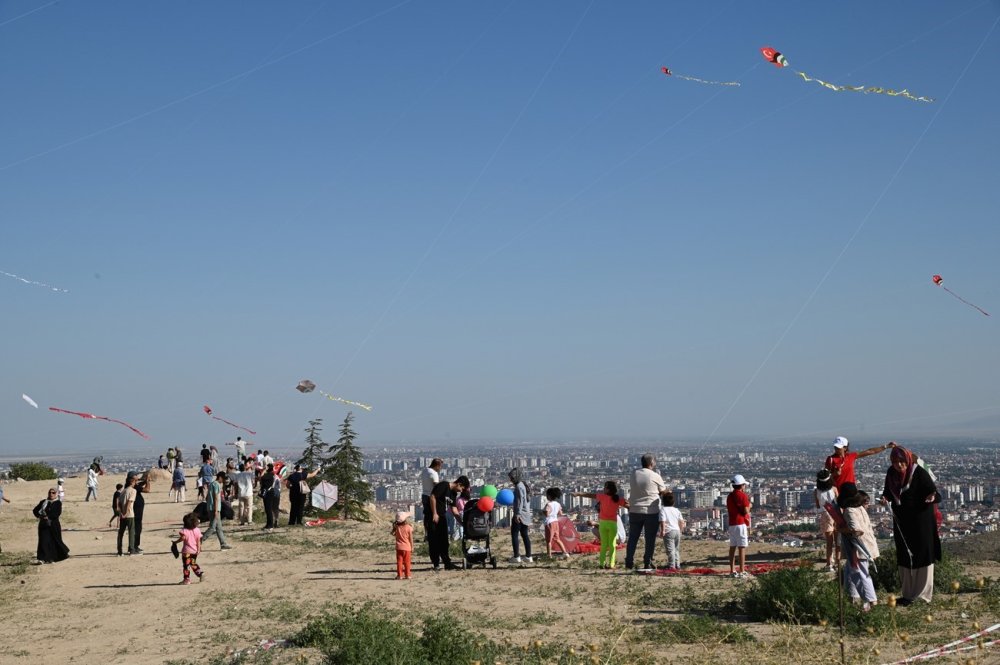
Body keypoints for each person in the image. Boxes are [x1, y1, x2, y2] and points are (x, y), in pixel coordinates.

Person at [881, 445, 940, 606]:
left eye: (901, 461)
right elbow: (887, 491)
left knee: (922, 554)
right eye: (895, 462)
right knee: (904, 555)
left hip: (921, 520)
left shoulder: (919, 472)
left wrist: (931, 497)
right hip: (902, 521)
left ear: (907, 459)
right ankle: (908, 594)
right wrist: (885, 498)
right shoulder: (891, 474)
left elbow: (934, 492)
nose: (898, 465)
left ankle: (922, 596)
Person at [837, 486, 879, 611]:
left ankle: (871, 601)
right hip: (863, 545)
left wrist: (840, 530)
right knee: (850, 573)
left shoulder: (850, 510)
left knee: (860, 574)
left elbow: (856, 530)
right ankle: (853, 598)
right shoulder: (859, 507)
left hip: (859, 547)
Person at [626, 454, 670, 571]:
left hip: (634, 509)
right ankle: (647, 561)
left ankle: (629, 561)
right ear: (652, 463)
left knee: (633, 538)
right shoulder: (655, 476)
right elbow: (663, 491)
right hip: (651, 511)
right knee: (650, 538)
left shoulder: (634, 473)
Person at [578, 482, 629, 569]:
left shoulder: (602, 497)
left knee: (604, 545)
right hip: (612, 524)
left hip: (603, 524)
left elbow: (590, 495)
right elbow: (628, 505)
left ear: (608, 489)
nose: (603, 489)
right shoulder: (617, 499)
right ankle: (611, 564)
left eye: (605, 488)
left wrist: (579, 494)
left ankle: (602, 564)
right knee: (612, 545)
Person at [825, 436, 896, 492]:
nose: (836, 449)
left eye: (839, 447)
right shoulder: (831, 459)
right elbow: (825, 478)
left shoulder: (850, 456)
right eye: (835, 447)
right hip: (837, 491)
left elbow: (870, 451)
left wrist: (886, 446)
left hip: (851, 490)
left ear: (845, 448)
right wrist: (835, 474)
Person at [429, 475, 470, 571]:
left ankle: (447, 563)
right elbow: (432, 497)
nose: (461, 491)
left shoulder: (453, 494)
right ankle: (436, 564)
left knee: (444, 541)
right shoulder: (444, 486)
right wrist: (434, 513)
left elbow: (454, 509)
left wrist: (461, 522)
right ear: (459, 484)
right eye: (462, 489)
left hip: (442, 516)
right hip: (433, 516)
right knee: (434, 540)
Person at [32, 488, 69, 563]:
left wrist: (49, 517)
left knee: (55, 541)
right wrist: (40, 516)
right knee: (43, 541)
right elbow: (35, 510)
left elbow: (57, 513)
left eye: (53, 493)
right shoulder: (43, 502)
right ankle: (42, 558)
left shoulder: (58, 503)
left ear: (56, 494)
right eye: (50, 492)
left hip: (54, 525)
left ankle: (54, 557)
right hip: (43, 525)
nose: (51, 494)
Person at [814, 469, 840, 571]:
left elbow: (817, 505)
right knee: (838, 540)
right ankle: (838, 562)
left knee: (829, 541)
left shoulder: (816, 491)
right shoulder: (834, 489)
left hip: (825, 515)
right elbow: (839, 502)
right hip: (836, 514)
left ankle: (829, 563)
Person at [727, 474, 752, 578]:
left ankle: (732, 570)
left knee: (732, 547)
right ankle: (742, 570)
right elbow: (746, 510)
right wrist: (750, 506)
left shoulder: (729, 496)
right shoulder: (743, 496)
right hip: (740, 523)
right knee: (742, 547)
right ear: (741, 485)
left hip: (731, 524)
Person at [508, 468, 533, 564]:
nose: (511, 479)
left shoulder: (518, 486)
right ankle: (528, 556)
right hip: (526, 514)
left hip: (520, 514)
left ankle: (517, 556)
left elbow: (519, 501)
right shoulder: (523, 485)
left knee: (514, 534)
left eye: (512, 477)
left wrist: (517, 514)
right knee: (525, 535)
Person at [201, 472, 232, 550]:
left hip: (210, 508)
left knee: (219, 527)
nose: (224, 480)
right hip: (215, 509)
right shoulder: (217, 485)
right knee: (212, 527)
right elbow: (216, 498)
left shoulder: (211, 484)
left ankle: (223, 543)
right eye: (224, 479)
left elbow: (207, 497)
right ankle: (200, 540)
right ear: (220, 477)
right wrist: (216, 510)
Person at [173, 512, 204, 585]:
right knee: (193, 563)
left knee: (186, 565)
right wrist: (199, 549)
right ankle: (200, 574)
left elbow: (183, 538)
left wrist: (176, 542)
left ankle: (186, 579)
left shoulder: (184, 531)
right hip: (194, 551)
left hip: (186, 551)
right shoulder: (197, 530)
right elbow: (198, 541)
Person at [658, 492, 686, 571]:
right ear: (673, 502)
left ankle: (671, 566)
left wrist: (662, 531)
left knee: (670, 550)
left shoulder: (663, 510)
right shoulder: (676, 510)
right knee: (676, 549)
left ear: (663, 501)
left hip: (669, 531)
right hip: (677, 530)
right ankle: (677, 565)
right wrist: (680, 530)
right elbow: (681, 521)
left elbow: (662, 521)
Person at [543, 487, 570, 560]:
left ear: (549, 496)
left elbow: (547, 514)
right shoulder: (558, 504)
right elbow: (560, 513)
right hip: (556, 522)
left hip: (549, 523)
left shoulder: (548, 504)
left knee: (548, 540)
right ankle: (565, 553)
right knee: (557, 539)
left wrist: (543, 512)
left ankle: (549, 555)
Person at [420, 458, 443, 540]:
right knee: (434, 515)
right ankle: (433, 533)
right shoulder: (434, 474)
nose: (440, 469)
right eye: (440, 467)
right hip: (432, 497)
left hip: (424, 495)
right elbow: (436, 487)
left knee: (426, 515)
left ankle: (426, 534)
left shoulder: (424, 471)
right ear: (437, 465)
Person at [117, 474, 138, 556]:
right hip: (129, 514)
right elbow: (129, 502)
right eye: (135, 481)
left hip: (122, 515)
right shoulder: (133, 491)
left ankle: (119, 550)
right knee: (131, 532)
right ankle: (131, 550)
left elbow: (119, 503)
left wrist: (121, 513)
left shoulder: (123, 491)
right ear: (132, 482)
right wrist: (126, 513)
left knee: (121, 533)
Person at [392, 511, 414, 579]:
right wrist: (412, 546)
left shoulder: (397, 527)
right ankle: (408, 575)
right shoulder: (408, 527)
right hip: (407, 548)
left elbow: (393, 534)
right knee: (407, 562)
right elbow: (411, 538)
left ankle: (400, 575)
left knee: (399, 562)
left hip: (399, 547)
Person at [132, 473, 149, 553]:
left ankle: (135, 546)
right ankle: (134, 546)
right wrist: (148, 482)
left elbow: (139, 484)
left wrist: (144, 481)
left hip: (137, 512)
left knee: (137, 530)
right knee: (137, 530)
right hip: (136, 512)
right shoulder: (134, 486)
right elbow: (147, 490)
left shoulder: (134, 485)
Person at [259, 463, 280, 530]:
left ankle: (270, 525)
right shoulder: (272, 475)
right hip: (269, 493)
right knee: (267, 509)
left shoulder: (269, 475)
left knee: (268, 509)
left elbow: (261, 477)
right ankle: (268, 524)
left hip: (268, 493)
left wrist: (264, 470)